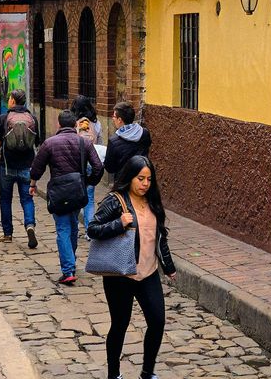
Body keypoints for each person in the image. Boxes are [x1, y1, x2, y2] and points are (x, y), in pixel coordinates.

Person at [87, 155, 177, 379]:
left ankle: (147, 373)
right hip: (120, 275)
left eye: (148, 179)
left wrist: (169, 266)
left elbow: (160, 238)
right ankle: (114, 374)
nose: (145, 184)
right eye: (140, 179)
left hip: (148, 273)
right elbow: (93, 229)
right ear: (130, 177)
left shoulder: (153, 202)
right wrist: (119, 224)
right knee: (120, 325)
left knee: (157, 321)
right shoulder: (115, 201)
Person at [30, 110, 103, 284]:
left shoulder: (49, 144)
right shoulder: (84, 143)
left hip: (59, 191)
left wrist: (32, 184)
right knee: (72, 225)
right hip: (77, 190)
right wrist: (88, 182)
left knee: (63, 228)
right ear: (75, 125)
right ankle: (71, 261)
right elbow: (98, 167)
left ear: (59, 124)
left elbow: (36, 168)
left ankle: (68, 269)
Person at [0, 89, 40, 248]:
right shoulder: (32, 119)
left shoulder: (3, 118)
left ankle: (8, 233)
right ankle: (29, 225)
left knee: (5, 200)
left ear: (13, 101)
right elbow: (37, 142)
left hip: (6, 167)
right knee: (27, 199)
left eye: (9, 98)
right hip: (26, 167)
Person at [70, 94, 102, 234]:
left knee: (75, 197)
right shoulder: (96, 123)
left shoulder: (72, 123)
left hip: (76, 164)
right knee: (89, 199)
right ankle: (90, 231)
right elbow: (100, 144)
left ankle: (74, 228)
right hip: (91, 163)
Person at [104, 102, 152, 175]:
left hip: (123, 182)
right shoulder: (145, 133)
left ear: (120, 120)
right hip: (141, 176)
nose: (113, 119)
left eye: (114, 116)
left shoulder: (113, 141)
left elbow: (109, 168)